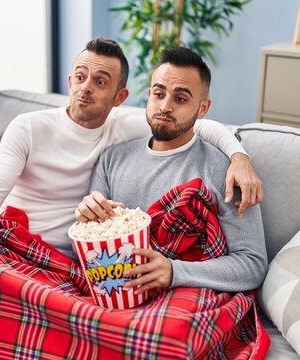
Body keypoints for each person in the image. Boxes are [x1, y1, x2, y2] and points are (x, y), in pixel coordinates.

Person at [0, 37, 262, 263]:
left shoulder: (126, 128)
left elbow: (194, 124)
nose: (86, 87)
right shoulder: (28, 127)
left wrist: (239, 156)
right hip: (12, 239)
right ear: (70, 80)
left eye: (101, 81)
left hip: (70, 259)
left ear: (120, 98)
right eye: (80, 76)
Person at [75, 45, 268, 294]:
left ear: (202, 109)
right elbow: (91, 244)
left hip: (184, 296)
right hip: (116, 289)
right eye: (158, 94)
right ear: (149, 95)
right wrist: (85, 213)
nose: (165, 106)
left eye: (180, 99)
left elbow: (252, 264)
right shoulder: (112, 159)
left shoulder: (228, 172)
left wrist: (175, 271)